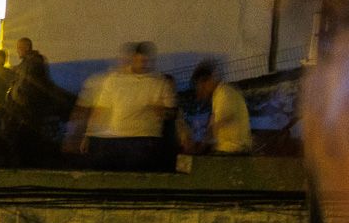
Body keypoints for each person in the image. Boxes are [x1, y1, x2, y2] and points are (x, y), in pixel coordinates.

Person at [67, 41, 177, 170]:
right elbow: (101, 110)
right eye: (140, 60)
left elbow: (172, 113)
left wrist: (162, 112)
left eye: (147, 61)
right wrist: (88, 135)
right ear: (134, 58)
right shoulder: (115, 80)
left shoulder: (160, 83)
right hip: (116, 139)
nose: (144, 64)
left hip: (145, 139)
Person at [186, 60, 252, 154]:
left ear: (207, 81)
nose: (200, 92)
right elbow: (213, 125)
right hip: (232, 148)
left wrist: (199, 149)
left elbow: (214, 128)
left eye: (200, 87)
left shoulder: (224, 94)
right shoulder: (219, 94)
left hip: (233, 150)